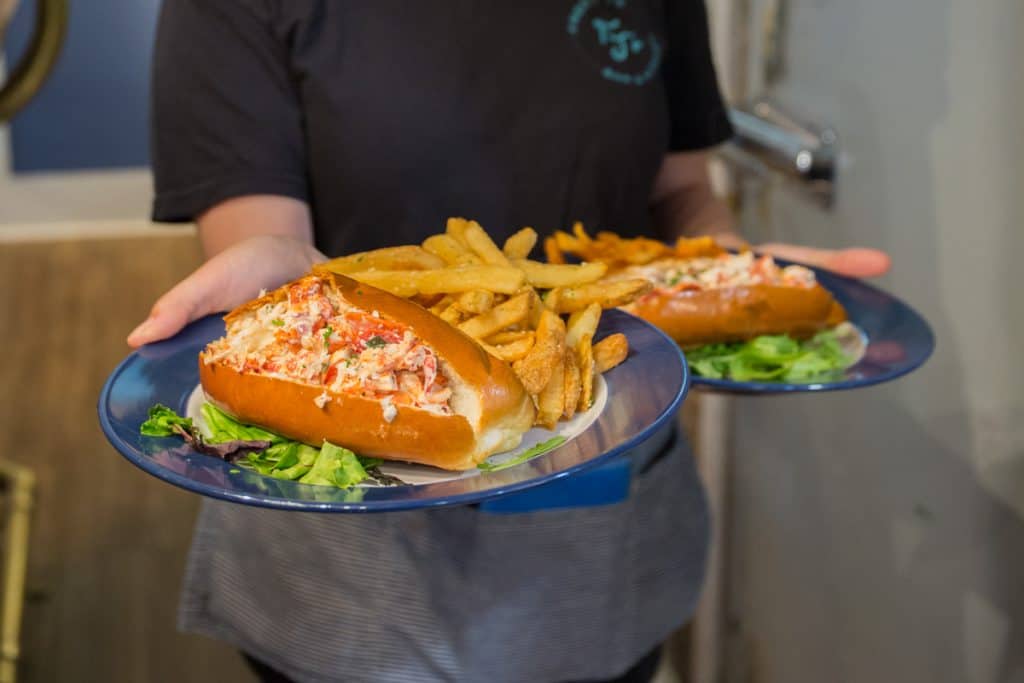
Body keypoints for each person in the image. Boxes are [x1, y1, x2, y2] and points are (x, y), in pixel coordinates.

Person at [128, 2, 890, 682]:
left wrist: (733, 281)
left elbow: (681, 193)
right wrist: (281, 271)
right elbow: (270, 244)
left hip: (609, 542)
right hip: (353, 574)